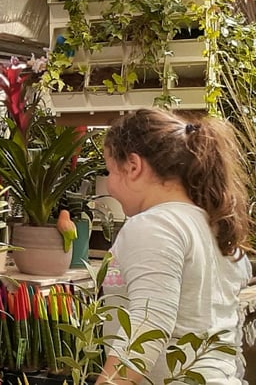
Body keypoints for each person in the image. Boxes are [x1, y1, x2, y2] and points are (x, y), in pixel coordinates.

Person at [96, 109, 251, 385]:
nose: (109, 185)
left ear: (133, 166)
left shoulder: (153, 226)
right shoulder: (213, 225)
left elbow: (147, 329)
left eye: (109, 170)